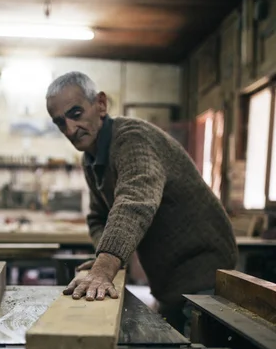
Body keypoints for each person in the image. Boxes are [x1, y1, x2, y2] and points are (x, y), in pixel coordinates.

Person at [45, 71, 238, 333]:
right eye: (59, 122)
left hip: (204, 273)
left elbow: (135, 201)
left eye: (76, 114)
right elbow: (98, 217)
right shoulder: (91, 158)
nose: (69, 129)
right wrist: (109, 258)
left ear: (100, 104)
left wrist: (104, 268)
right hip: (167, 280)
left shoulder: (132, 138)